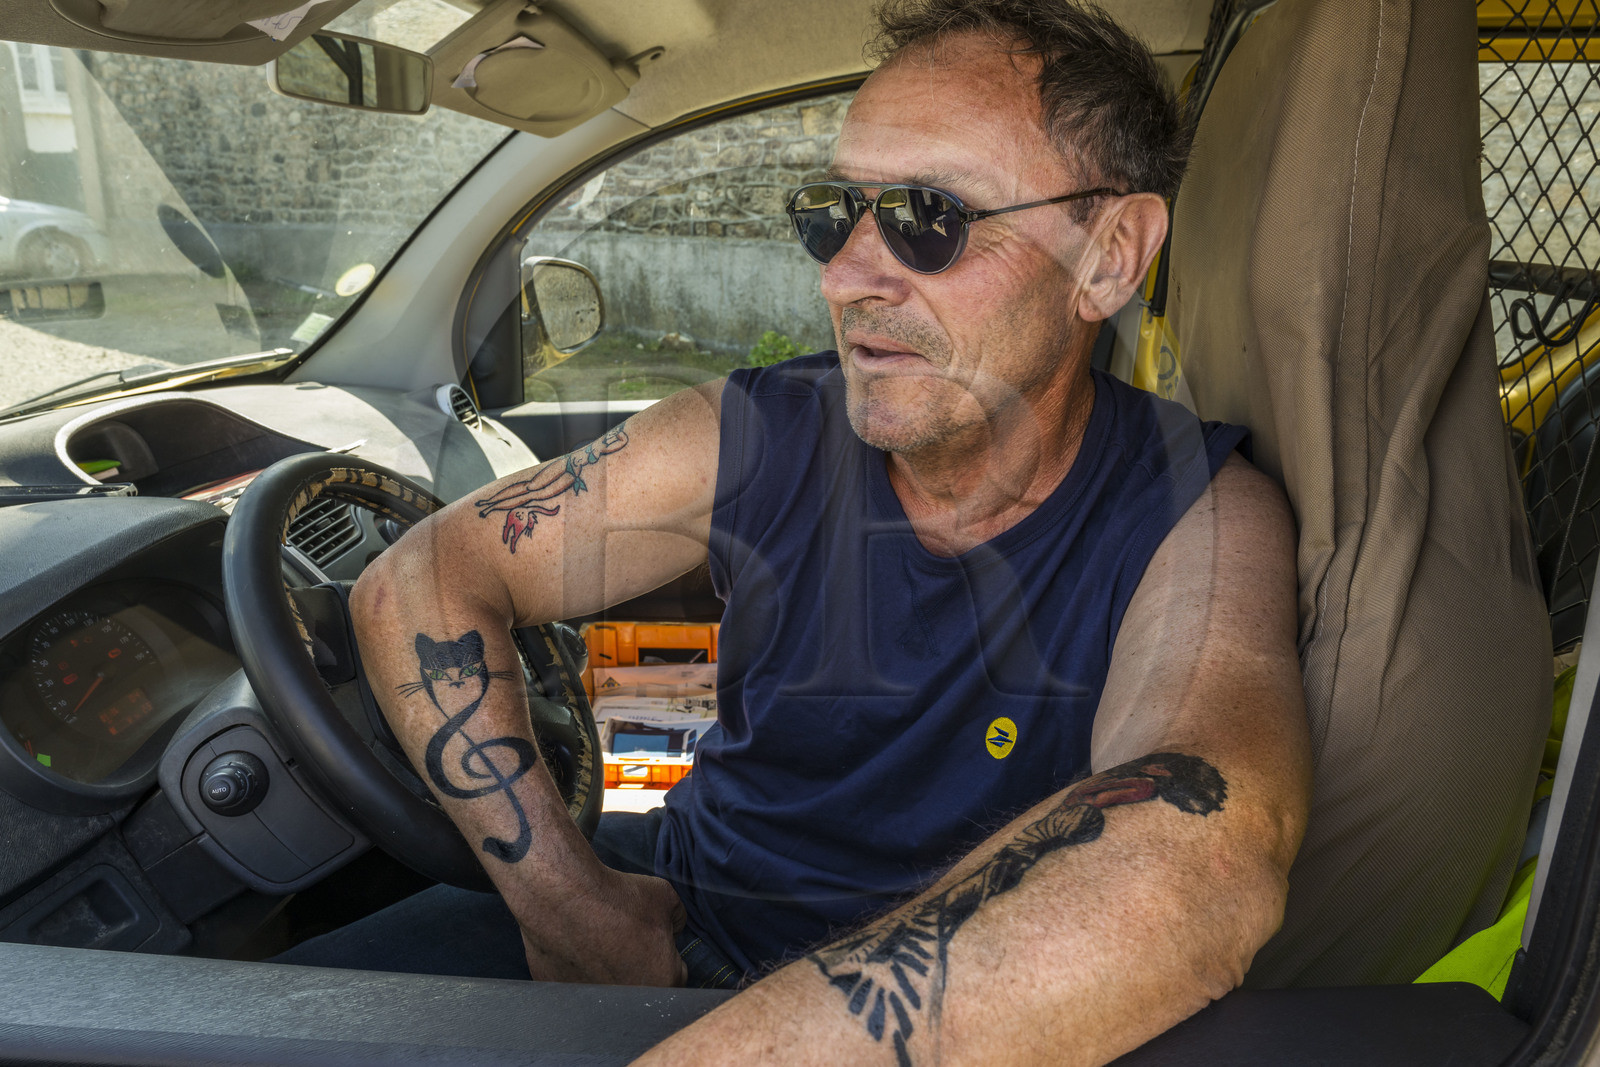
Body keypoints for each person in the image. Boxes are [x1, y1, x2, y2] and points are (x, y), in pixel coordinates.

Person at [287, 0, 1312, 1062]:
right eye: (833, 213)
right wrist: (567, 901)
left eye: (927, 215)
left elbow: (1197, 848)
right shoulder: (757, 431)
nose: (845, 275)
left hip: (965, 999)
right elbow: (419, 576)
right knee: (248, 1014)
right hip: (670, 910)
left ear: (1109, 255)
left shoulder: (1197, 513)